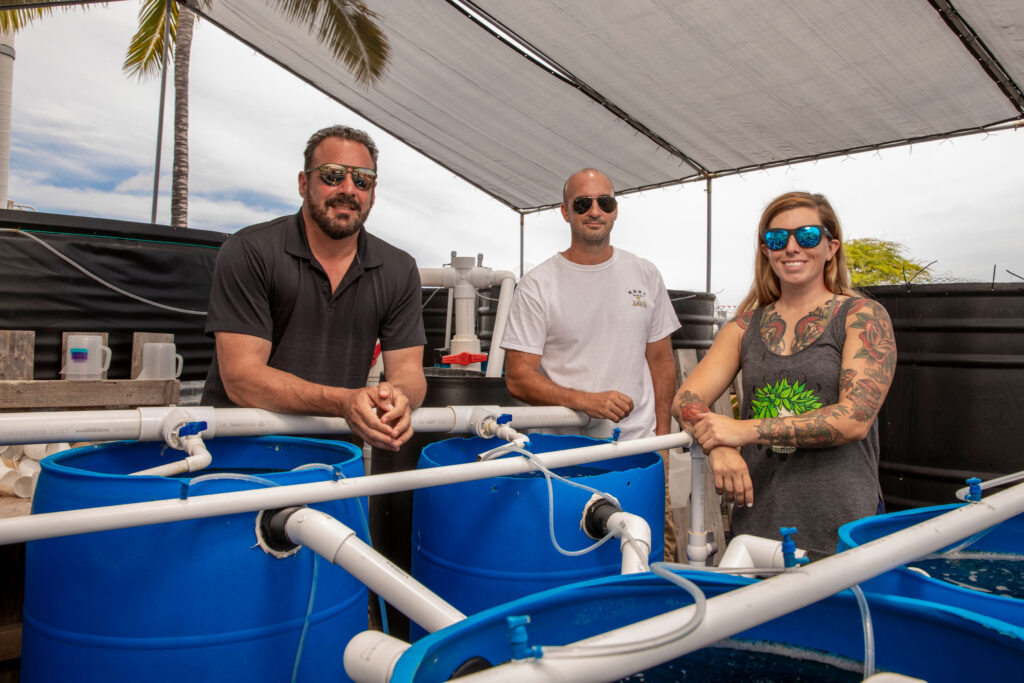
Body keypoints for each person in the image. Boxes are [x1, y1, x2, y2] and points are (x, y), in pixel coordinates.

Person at [672, 191, 896, 559]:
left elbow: (854, 418)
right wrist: (720, 445)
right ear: (766, 251)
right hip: (757, 525)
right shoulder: (743, 327)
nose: (791, 247)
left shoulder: (862, 316)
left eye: (806, 236)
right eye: (777, 238)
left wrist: (743, 431)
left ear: (831, 247)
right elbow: (686, 398)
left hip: (843, 527)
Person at [202, 125, 427, 451]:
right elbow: (242, 378)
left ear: (373, 194)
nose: (348, 189)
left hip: (334, 463)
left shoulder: (398, 268)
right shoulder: (250, 250)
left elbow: (408, 372)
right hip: (239, 458)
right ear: (303, 183)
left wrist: (399, 397)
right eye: (333, 175)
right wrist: (342, 401)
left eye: (362, 179)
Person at [500, 168, 681, 558]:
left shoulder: (645, 274)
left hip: (639, 456)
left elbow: (662, 361)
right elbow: (517, 378)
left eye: (605, 202)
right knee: (575, 562)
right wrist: (586, 401)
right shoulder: (538, 284)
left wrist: (662, 440)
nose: (594, 211)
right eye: (583, 203)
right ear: (565, 212)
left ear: (616, 211)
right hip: (567, 459)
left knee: (653, 561)